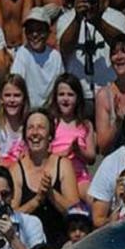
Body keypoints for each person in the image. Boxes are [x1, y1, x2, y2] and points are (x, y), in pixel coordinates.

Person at [56, 0, 125, 99]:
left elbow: (123, 47)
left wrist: (97, 21)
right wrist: (78, 19)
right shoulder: (66, 20)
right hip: (77, 98)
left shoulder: (117, 18)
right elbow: (65, 49)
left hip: (109, 94)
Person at [10, 108, 79, 249]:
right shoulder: (16, 170)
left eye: (41, 128)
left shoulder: (63, 165)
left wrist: (51, 194)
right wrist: (37, 200)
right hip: (28, 247)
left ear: (50, 136)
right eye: (30, 128)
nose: (35, 133)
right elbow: (11, 218)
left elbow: (76, 214)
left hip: (61, 245)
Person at [47, 73, 96, 201]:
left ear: (78, 98)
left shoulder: (85, 125)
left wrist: (79, 152)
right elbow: (44, 153)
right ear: (55, 97)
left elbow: (91, 157)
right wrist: (66, 152)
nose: (65, 99)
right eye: (61, 94)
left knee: (92, 197)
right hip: (56, 175)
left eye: (70, 95)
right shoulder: (52, 122)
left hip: (79, 176)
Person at [9, 6, 62, 113]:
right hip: (26, 111)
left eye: (40, 30)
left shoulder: (55, 56)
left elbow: (59, 87)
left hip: (49, 111)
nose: (34, 34)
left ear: (48, 32)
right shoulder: (22, 53)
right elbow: (16, 84)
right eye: (30, 31)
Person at [0, 74, 27, 166]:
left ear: (24, 99)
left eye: (17, 95)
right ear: (1, 99)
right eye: (7, 95)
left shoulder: (29, 125)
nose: (12, 100)